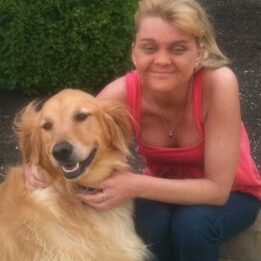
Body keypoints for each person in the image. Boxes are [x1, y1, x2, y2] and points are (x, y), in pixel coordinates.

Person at [24, 0, 261, 260]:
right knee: (148, 220)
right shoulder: (121, 94)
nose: (161, 60)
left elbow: (217, 191)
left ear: (200, 53)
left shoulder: (219, 84)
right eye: (149, 48)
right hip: (160, 188)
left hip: (233, 194)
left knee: (193, 225)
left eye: (178, 48)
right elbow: (69, 130)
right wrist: (34, 163)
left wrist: (134, 184)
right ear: (134, 53)